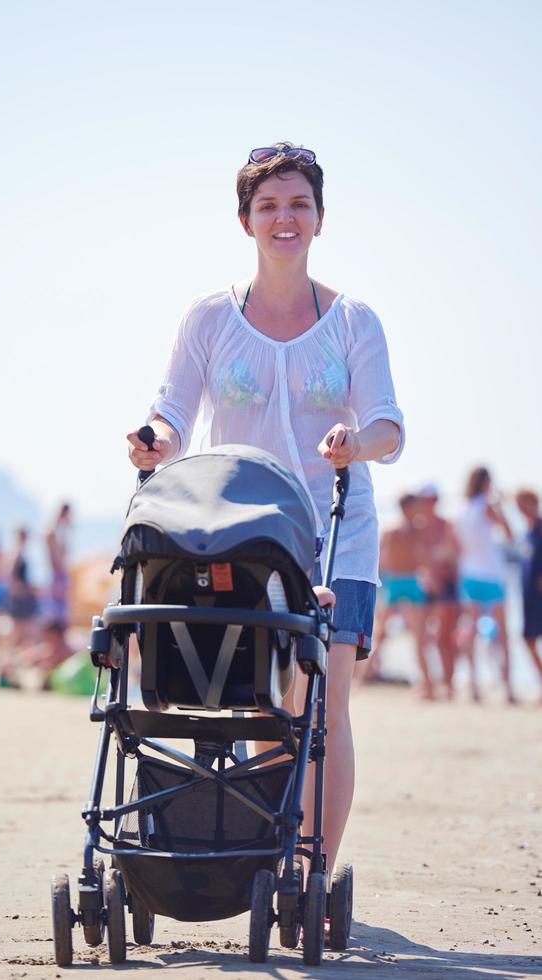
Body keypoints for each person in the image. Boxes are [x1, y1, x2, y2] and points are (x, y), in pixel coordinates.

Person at [126, 142, 404, 882]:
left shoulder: (353, 321)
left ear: (319, 218)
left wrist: (357, 442)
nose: (286, 218)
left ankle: (311, 874)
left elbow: (389, 426)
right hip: (241, 536)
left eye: (299, 204)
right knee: (263, 702)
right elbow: (173, 414)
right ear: (246, 219)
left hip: (339, 532)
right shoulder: (210, 316)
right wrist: (153, 441)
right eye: (270, 205)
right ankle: (270, 853)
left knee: (324, 702)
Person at [456, 466, 514, 702]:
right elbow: (509, 534)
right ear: (486, 482)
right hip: (492, 573)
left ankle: (473, 686)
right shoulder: (487, 505)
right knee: (503, 634)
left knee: (470, 631)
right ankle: (508, 688)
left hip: (469, 573)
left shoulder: (463, 510)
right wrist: (501, 505)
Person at [368, 493, 430, 693]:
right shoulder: (394, 532)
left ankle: (426, 683)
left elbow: (424, 558)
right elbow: (379, 559)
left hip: (410, 581)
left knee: (418, 636)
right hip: (396, 582)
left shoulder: (417, 531)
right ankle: (363, 676)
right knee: (381, 633)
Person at [416, 484, 461, 699]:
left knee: (445, 638)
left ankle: (448, 684)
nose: (428, 503)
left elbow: (454, 556)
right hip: (428, 587)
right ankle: (430, 684)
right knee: (423, 638)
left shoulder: (446, 525)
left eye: (431, 499)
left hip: (447, 586)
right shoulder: (419, 527)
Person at [515, 488, 542, 694]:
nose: (520, 507)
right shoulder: (527, 531)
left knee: (530, 638)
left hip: (538, 594)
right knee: (528, 639)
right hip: (528, 594)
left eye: (522, 502)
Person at [0, 526, 39, 649]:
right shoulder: (15, 552)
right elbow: (10, 574)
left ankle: (11, 658)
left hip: (19, 596)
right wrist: (22, 590)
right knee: (22, 628)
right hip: (20, 597)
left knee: (20, 629)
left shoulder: (15, 551)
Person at [45, 503, 72, 626]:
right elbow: (55, 556)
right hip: (57, 571)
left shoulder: (59, 529)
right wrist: (57, 571)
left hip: (58, 570)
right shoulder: (54, 530)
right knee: (56, 606)